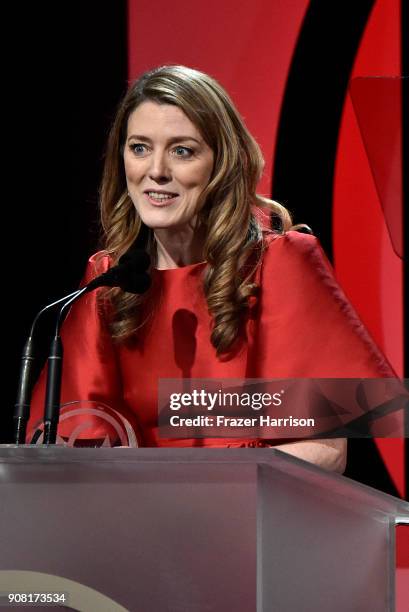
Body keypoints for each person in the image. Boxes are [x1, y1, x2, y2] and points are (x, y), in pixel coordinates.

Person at [28, 65, 395, 471]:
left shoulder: (280, 264)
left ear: (222, 163)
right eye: (139, 148)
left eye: (182, 150)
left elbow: (323, 453)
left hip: (254, 524)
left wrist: (191, 501)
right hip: (134, 527)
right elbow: (66, 444)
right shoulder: (109, 280)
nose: (156, 171)